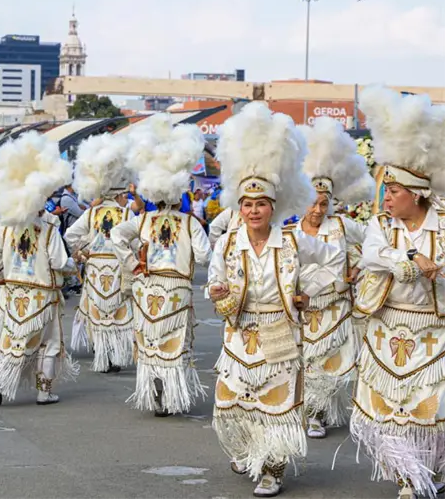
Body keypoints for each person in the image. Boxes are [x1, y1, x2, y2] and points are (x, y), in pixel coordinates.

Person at [207, 102, 345, 497]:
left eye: (261, 204)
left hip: (281, 330)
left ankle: (272, 469)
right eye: (247, 204)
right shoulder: (229, 241)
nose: (253, 211)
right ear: (240, 207)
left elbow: (333, 261)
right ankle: (248, 450)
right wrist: (216, 291)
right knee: (233, 403)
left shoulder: (292, 239)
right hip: (238, 331)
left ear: (274, 207)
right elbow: (214, 279)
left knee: (277, 408)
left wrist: (309, 294)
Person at [349, 86, 445, 499]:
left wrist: (437, 269)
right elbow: (372, 255)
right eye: (386, 191)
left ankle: (431, 469)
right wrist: (410, 259)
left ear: (417, 195)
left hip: (433, 332)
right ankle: (407, 475)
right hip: (387, 328)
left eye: (395, 192)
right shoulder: (381, 226)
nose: (387, 198)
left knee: (429, 410)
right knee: (388, 410)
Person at [110, 116, 211, 417]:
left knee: (150, 342)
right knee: (176, 344)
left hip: (147, 288)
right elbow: (205, 257)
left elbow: (116, 234)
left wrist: (132, 262)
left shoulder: (143, 220)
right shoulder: (190, 223)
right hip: (178, 289)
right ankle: (170, 396)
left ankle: (156, 390)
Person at [286, 117, 373, 440]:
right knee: (306, 364)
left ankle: (319, 412)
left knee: (331, 366)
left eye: (324, 203)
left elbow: (375, 244)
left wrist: (357, 269)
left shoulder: (342, 227)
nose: (318, 209)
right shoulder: (290, 232)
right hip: (303, 308)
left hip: (336, 308)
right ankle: (311, 412)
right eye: (313, 202)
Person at [0, 131, 79, 406]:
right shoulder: (48, 230)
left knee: (12, 339)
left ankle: (0, 379)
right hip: (44, 296)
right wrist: (77, 266)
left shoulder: (7, 225)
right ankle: (44, 392)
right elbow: (61, 263)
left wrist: (2, 276)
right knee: (50, 343)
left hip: (13, 295)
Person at [64, 133, 135, 374]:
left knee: (97, 309)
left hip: (95, 271)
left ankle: (101, 353)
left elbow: (69, 236)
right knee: (117, 311)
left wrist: (82, 253)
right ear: (119, 192)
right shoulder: (127, 214)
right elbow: (137, 242)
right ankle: (114, 355)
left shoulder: (92, 214)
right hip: (118, 269)